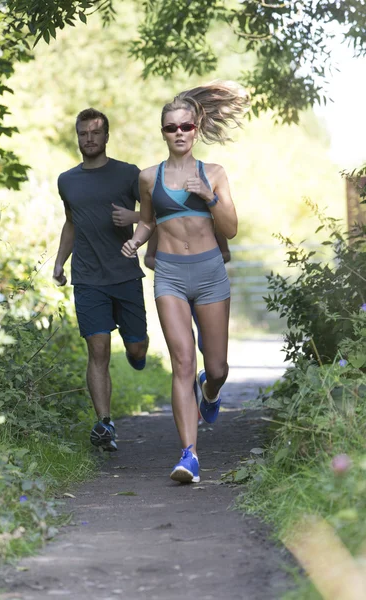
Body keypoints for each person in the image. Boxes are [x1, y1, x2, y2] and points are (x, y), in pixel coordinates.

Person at [122, 80, 249, 483]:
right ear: (163, 132)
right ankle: (189, 456)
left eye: (185, 127)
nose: (178, 133)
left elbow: (229, 229)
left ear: (197, 128)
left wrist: (209, 196)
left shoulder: (213, 172)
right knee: (182, 361)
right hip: (171, 276)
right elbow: (147, 219)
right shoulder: (148, 177)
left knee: (217, 368)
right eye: (170, 128)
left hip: (211, 274)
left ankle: (209, 392)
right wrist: (135, 241)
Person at [53, 108, 149, 452]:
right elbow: (71, 222)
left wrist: (134, 216)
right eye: (83, 133)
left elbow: (156, 214)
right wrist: (60, 263)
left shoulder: (128, 174)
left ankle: (138, 355)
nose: (89, 139)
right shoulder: (67, 180)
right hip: (88, 277)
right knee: (98, 349)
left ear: (106, 136)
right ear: (77, 136)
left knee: (136, 347)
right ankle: (105, 424)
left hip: (125, 274)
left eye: (95, 133)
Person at [144, 227, 231, 354]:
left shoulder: (210, 221)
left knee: (206, 344)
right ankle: (190, 373)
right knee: (184, 346)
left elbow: (226, 254)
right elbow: (148, 258)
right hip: (174, 287)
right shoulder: (162, 222)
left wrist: (204, 264)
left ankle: (207, 373)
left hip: (206, 286)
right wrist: (171, 269)